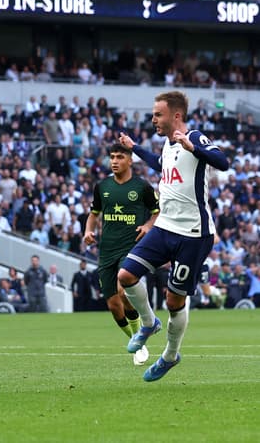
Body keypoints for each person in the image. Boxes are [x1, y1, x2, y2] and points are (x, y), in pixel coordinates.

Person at [118, 91, 229, 381]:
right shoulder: (168, 146)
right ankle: (148, 323)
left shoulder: (193, 136)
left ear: (175, 115)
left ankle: (169, 355)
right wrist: (135, 148)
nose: (154, 119)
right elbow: (161, 164)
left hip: (193, 234)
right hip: (165, 227)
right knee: (126, 276)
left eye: (158, 114)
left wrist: (193, 147)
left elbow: (223, 161)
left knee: (174, 301)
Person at [84, 142, 160, 365]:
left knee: (123, 289)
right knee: (113, 305)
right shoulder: (102, 186)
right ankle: (138, 342)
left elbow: (157, 213)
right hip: (106, 250)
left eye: (119, 157)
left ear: (130, 160)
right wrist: (88, 230)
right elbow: (93, 213)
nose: (114, 161)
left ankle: (142, 331)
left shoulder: (142, 187)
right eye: (112, 157)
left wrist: (147, 226)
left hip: (131, 248)